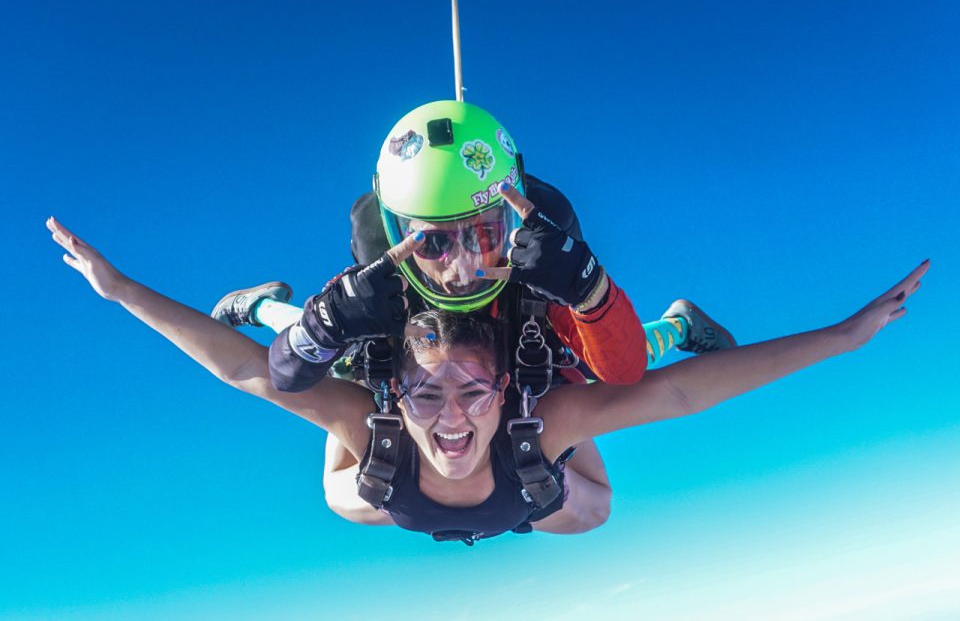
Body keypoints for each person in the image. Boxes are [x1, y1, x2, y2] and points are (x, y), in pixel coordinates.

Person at [47, 216, 929, 543]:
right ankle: (276, 304)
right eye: (429, 395)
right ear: (403, 394)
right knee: (328, 427)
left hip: (532, 432)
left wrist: (845, 338)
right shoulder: (383, 423)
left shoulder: (532, 424)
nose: (452, 418)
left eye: (472, 392)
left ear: (505, 389)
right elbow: (244, 370)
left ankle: (664, 322)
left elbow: (683, 392)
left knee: (586, 504)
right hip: (373, 395)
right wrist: (118, 288)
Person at [210, 101, 736, 396]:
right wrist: (329, 323)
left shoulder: (540, 256)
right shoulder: (381, 268)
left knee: (589, 371)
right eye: (433, 241)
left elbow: (619, 369)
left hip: (519, 334)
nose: (461, 266)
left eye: (484, 232)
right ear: (396, 233)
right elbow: (289, 375)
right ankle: (259, 305)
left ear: (513, 214)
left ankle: (680, 324)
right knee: (346, 360)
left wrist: (586, 288)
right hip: (414, 335)